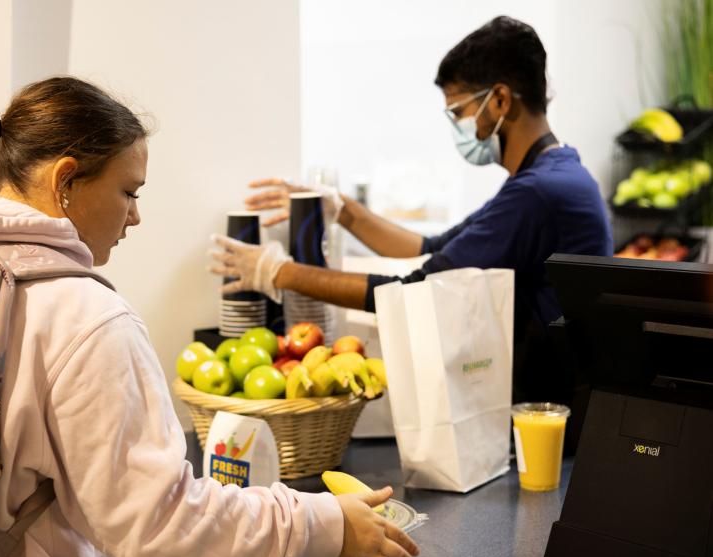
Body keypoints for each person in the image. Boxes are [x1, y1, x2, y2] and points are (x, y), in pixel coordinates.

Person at [0, 77, 417, 557]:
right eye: (128, 191)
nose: (135, 216)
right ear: (65, 181)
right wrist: (318, 526)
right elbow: (165, 531)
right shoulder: (82, 315)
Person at [209, 16, 613, 401]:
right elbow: (430, 245)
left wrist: (278, 272)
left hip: (556, 413)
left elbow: (417, 288)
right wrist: (342, 211)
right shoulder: (550, 175)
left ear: (500, 100)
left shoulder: (539, 193)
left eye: (458, 111)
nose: (457, 126)